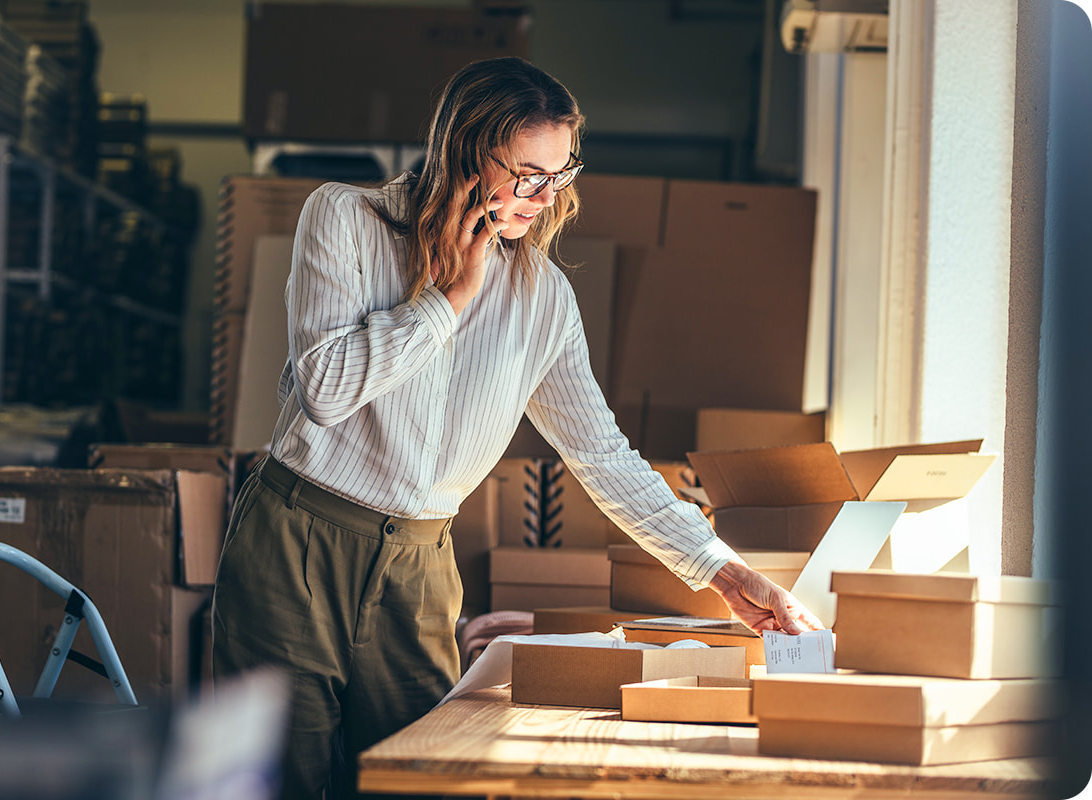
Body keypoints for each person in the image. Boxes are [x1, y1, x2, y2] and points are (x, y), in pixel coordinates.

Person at [212, 56, 823, 800]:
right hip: (294, 541)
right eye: (527, 172)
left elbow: (602, 455)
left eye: (560, 174)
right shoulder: (345, 218)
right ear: (466, 150)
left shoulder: (543, 298)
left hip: (419, 567)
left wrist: (724, 571)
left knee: (414, 782)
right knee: (279, 779)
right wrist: (447, 302)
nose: (545, 196)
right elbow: (325, 391)